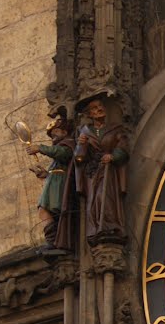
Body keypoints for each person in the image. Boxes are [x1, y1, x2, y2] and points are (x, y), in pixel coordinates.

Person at [74, 97, 128, 244]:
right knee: (94, 200)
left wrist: (113, 156)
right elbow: (79, 158)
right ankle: (96, 228)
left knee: (106, 197)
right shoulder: (84, 132)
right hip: (92, 172)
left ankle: (110, 225)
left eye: (100, 106)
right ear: (89, 114)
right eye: (94, 108)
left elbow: (123, 148)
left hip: (109, 170)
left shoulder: (115, 129)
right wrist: (81, 145)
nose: (99, 109)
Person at [26, 108, 73, 247]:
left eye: (56, 132)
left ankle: (54, 241)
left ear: (65, 132)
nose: (54, 137)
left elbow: (63, 153)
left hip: (60, 186)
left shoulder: (68, 144)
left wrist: (40, 148)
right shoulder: (57, 151)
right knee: (44, 211)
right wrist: (45, 174)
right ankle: (53, 240)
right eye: (52, 136)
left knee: (48, 211)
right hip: (54, 185)